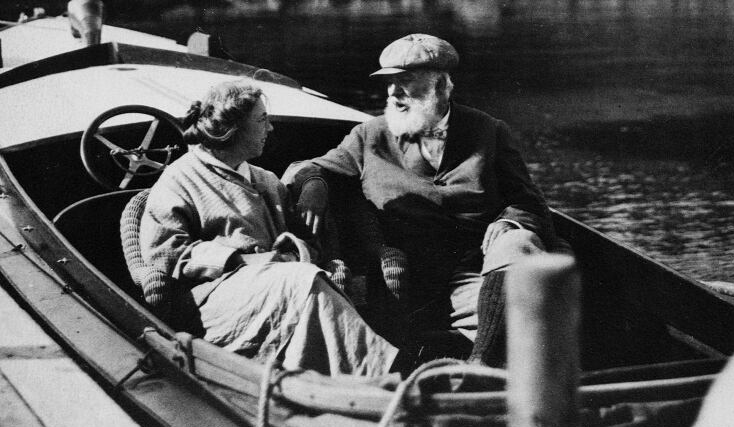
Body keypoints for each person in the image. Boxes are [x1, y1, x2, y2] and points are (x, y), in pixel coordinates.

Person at [285, 34, 567, 368]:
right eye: (389, 84)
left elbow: (529, 202)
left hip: (475, 272)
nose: (393, 93)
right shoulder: (369, 135)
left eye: (404, 82)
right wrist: (314, 183)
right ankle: (461, 358)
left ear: (442, 87)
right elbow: (308, 167)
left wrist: (508, 222)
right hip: (404, 276)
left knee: (519, 251)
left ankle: (478, 366)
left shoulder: (488, 131)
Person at [139, 79, 396, 376]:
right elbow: (164, 252)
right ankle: (381, 373)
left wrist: (294, 248)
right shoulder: (179, 179)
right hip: (213, 303)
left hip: (278, 283)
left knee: (305, 279)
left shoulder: (266, 180)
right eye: (261, 120)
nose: (270, 129)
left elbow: (307, 240)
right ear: (231, 129)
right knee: (302, 280)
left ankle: (331, 380)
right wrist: (240, 259)